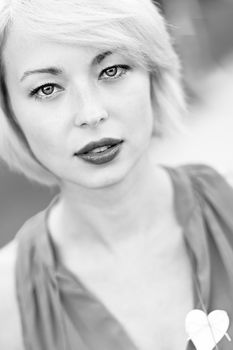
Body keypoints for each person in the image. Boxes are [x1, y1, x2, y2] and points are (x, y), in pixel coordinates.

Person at [0, 0, 233, 349]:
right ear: (10, 113)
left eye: (112, 70)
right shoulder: (8, 299)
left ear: (153, 74)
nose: (91, 113)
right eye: (46, 88)